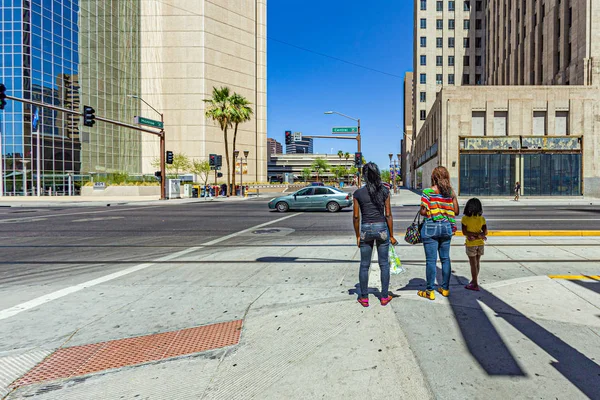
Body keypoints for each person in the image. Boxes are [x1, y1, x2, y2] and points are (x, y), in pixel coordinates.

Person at [353, 162, 398, 307]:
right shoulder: (384, 191)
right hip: (382, 228)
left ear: (365, 176)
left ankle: (364, 298)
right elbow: (389, 215)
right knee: (384, 264)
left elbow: (355, 217)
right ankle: (384, 297)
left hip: (366, 228)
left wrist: (358, 236)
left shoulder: (358, 193)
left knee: (364, 265)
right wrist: (391, 235)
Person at [418, 166, 460, 300]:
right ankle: (445, 288)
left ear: (434, 177)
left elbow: (423, 212)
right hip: (447, 227)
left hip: (431, 226)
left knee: (431, 261)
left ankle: (430, 291)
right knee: (445, 259)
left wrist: (431, 209)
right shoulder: (450, 192)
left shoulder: (428, 192)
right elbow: (456, 211)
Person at [461, 198, 488, 291]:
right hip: (480, 243)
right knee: (477, 263)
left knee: (473, 264)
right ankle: (473, 280)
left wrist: (472, 236)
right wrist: (478, 236)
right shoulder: (482, 218)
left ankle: (475, 284)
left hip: (471, 244)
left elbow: (464, 232)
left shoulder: (465, 218)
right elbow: (485, 232)